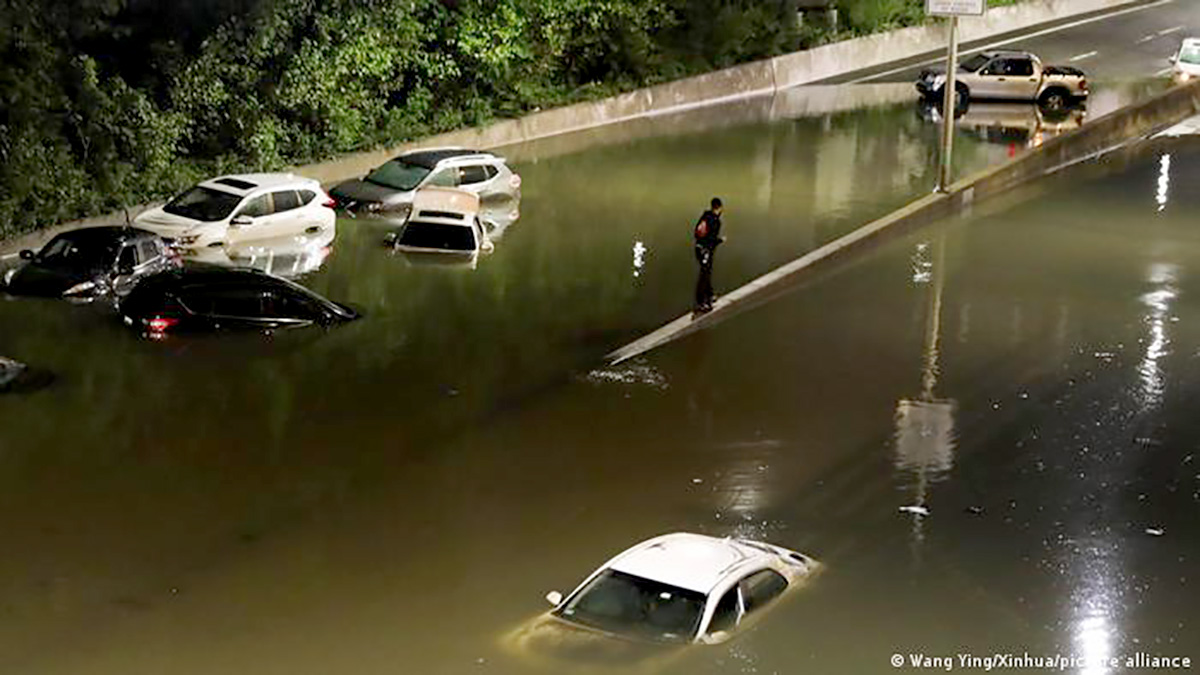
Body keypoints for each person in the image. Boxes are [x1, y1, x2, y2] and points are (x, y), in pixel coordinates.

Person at [693, 197, 724, 314]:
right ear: (720, 208)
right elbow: (711, 239)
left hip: (698, 249)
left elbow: (696, 233)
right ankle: (700, 303)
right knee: (704, 276)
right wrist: (720, 240)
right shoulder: (715, 221)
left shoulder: (704, 217)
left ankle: (710, 295)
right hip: (706, 251)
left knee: (707, 273)